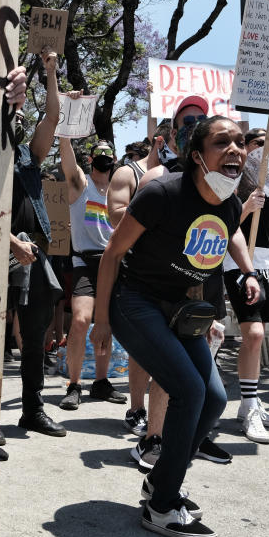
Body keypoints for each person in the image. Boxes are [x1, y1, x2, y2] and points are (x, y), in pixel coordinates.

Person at [91, 116, 261, 537]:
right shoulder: (161, 193)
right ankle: (163, 507)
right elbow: (112, 255)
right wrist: (102, 321)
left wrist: (206, 320)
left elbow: (200, 267)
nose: (236, 150)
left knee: (215, 400)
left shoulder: (229, 205)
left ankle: (159, 482)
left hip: (180, 309)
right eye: (222, 142)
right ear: (197, 155)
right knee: (189, 391)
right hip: (134, 302)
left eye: (240, 142)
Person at [6, 50, 66, 438]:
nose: (22, 121)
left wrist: (50, 74)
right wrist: (10, 242)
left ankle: (32, 410)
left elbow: (52, 118)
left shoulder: (28, 156)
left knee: (34, 340)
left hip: (32, 258)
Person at [224, 146, 269, 443]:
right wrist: (246, 207)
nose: (259, 152)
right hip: (239, 262)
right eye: (254, 144)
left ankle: (250, 403)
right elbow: (224, 226)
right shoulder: (230, 183)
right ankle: (249, 406)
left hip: (268, 267)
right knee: (252, 334)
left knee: (259, 337)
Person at [107, 125, 168, 460]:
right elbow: (116, 217)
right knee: (145, 349)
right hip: (139, 271)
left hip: (181, 275)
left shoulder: (200, 176)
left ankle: (162, 430)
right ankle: (136, 410)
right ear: (162, 140)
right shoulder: (128, 173)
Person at [58, 136, 126, 410]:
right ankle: (74, 385)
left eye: (109, 153)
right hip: (84, 262)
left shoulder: (120, 190)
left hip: (114, 262)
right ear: (90, 159)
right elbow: (67, 162)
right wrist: (65, 133)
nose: (104, 157)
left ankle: (101, 382)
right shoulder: (80, 185)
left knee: (106, 322)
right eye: (99, 153)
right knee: (80, 320)